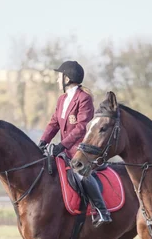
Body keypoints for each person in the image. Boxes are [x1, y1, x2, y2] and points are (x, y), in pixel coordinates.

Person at [39, 60, 112, 227]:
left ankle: (101, 210)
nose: (57, 80)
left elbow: (81, 128)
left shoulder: (84, 98)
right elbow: (54, 123)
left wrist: (62, 145)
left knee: (81, 174)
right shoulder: (61, 99)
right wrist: (43, 141)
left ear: (67, 78)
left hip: (81, 149)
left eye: (59, 77)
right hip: (64, 149)